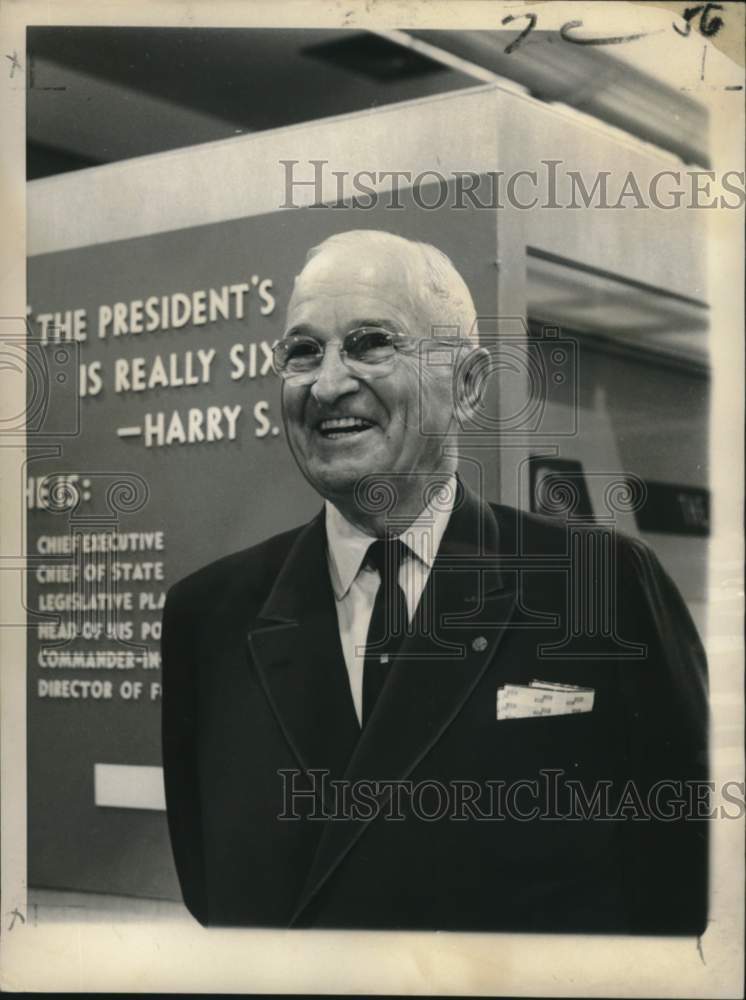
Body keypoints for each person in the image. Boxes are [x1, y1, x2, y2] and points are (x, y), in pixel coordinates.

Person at [161, 229, 708, 933]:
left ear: (469, 384)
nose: (328, 384)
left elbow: (689, 881)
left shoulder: (598, 584)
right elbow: (209, 888)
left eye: (370, 343)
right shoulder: (209, 617)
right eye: (303, 351)